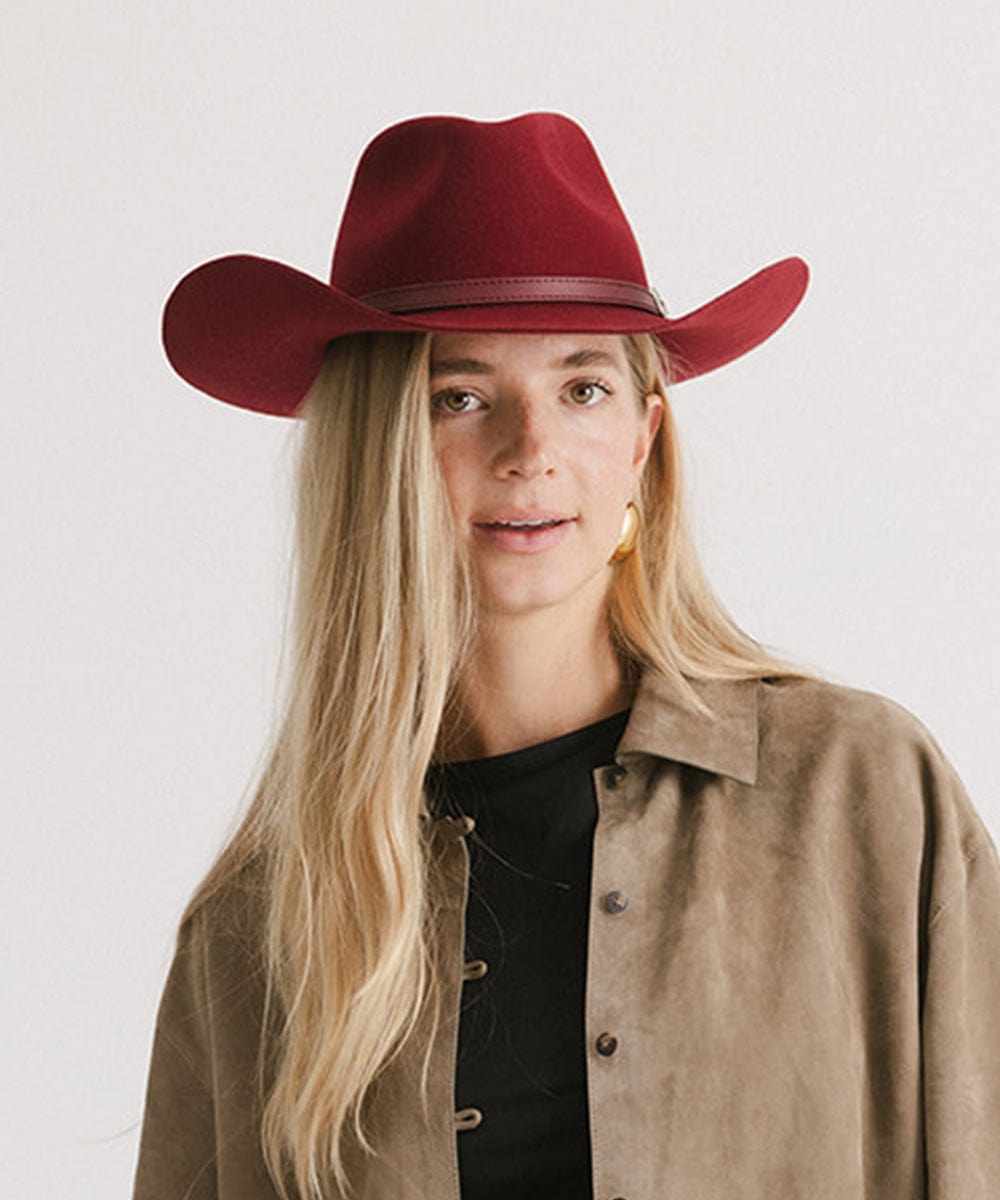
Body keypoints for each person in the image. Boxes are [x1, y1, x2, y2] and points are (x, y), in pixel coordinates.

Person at [133, 113, 1000, 1200]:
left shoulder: (855, 791)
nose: (530, 451)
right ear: (372, 452)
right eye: (458, 397)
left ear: (642, 441)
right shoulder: (266, 918)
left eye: (582, 388)